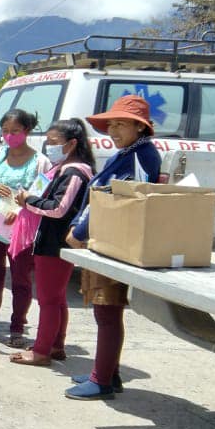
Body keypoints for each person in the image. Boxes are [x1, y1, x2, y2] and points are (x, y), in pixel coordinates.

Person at [64, 95, 161, 400]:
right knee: (105, 312)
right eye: (111, 124)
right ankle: (109, 372)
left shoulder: (141, 156)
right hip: (106, 239)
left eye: (121, 124)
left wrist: (79, 230)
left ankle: (102, 379)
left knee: (107, 311)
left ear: (140, 127)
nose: (113, 130)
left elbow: (114, 198)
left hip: (115, 241)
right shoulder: (129, 152)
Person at [9, 119, 96, 366]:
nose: (49, 146)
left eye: (54, 142)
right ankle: (55, 345)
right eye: (47, 142)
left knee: (48, 299)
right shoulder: (64, 169)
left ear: (71, 144)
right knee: (57, 298)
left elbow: (59, 208)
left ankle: (41, 350)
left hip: (56, 244)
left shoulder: (74, 172)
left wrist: (28, 201)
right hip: (52, 242)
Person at [0, 109, 51, 347]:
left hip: (20, 228)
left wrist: (21, 210)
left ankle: (17, 328)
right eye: (5, 131)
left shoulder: (40, 162)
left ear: (27, 131)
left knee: (21, 280)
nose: (10, 135)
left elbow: (40, 193)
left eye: (15, 131)